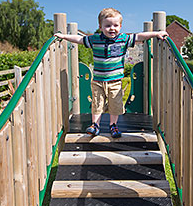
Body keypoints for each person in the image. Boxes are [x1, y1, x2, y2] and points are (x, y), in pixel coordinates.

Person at [55, 8, 168, 138]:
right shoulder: (95, 39)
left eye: (115, 25)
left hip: (115, 82)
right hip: (98, 81)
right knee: (97, 104)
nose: (112, 28)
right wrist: (64, 36)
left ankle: (113, 125)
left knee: (115, 105)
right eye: (107, 26)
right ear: (100, 26)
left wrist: (155, 34)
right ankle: (95, 125)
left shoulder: (123, 39)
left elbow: (140, 36)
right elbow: (79, 39)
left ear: (120, 26)